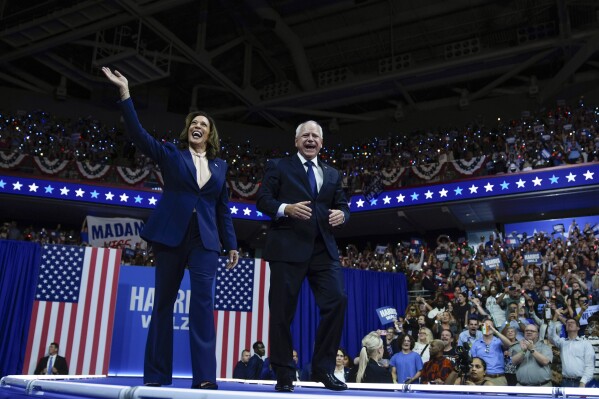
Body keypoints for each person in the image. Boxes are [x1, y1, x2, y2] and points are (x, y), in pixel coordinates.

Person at [102, 67, 239, 390]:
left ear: (210, 134)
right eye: (193, 123)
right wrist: (125, 94)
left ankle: (204, 378)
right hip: (171, 237)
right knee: (163, 305)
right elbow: (138, 134)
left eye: (203, 125)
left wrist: (231, 244)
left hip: (205, 241)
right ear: (188, 130)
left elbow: (222, 208)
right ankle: (157, 376)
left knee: (203, 307)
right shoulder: (171, 154)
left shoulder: (221, 166)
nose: (197, 126)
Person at [256, 120, 350, 392]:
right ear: (296, 141)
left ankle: (323, 368)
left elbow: (343, 206)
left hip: (323, 249)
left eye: (315, 136)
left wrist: (342, 215)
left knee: (337, 300)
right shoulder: (279, 166)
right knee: (282, 312)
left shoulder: (333, 173)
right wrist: (286, 208)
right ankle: (284, 372)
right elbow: (263, 200)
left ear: (321, 143)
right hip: (288, 247)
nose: (310, 139)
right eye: (305, 135)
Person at [548, 313, 595, 387]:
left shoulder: (585, 344)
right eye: (567, 323)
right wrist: (555, 318)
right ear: (566, 327)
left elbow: (589, 366)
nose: (569, 324)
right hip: (565, 381)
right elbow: (551, 336)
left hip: (581, 382)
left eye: (572, 322)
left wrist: (583, 382)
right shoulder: (562, 342)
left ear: (578, 328)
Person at [469, 319, 511, 386]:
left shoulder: (498, 341)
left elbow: (509, 344)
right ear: (482, 327)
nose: (487, 327)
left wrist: (495, 331)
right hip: (483, 378)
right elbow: (474, 362)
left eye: (490, 326)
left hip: (499, 378)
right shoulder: (476, 344)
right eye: (485, 326)